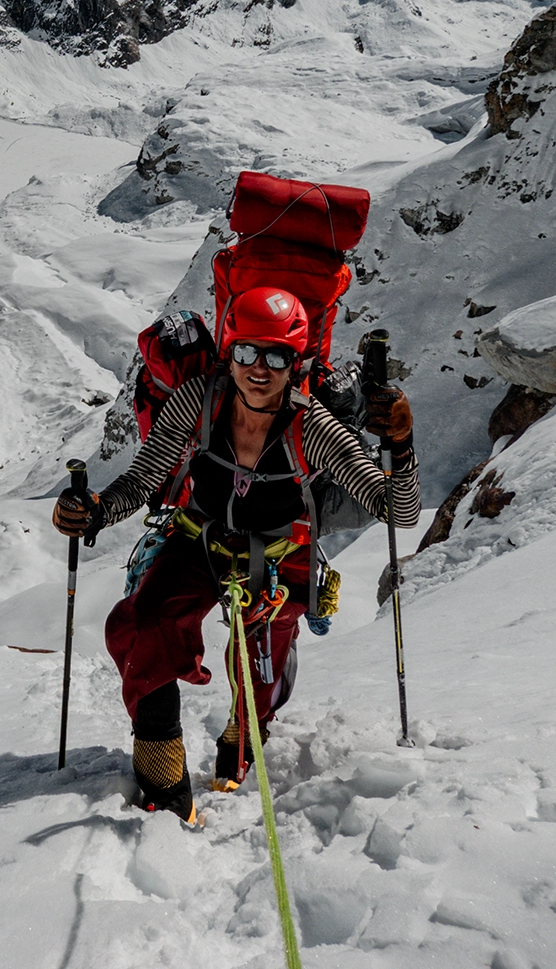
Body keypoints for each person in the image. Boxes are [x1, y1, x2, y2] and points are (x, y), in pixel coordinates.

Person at [53, 287, 419, 822]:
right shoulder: (199, 399)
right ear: (230, 352)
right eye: (248, 352)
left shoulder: (311, 425)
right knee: (143, 626)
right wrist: (95, 511)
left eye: (276, 357)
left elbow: (396, 510)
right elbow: (144, 477)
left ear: (295, 365)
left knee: (260, 671)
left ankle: (243, 739)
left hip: (279, 552)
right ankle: (163, 780)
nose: (259, 369)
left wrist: (402, 447)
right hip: (201, 536)